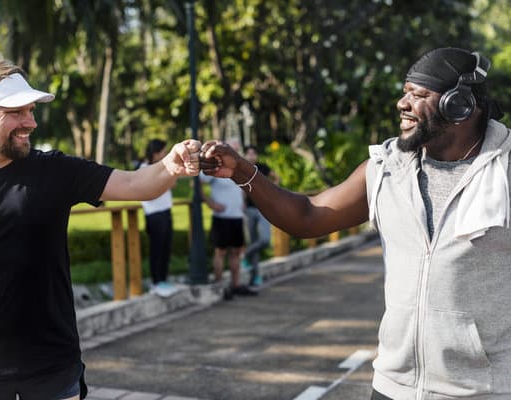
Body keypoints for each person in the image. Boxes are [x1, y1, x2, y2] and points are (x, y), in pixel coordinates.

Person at [200, 47, 510, 400]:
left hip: (483, 391)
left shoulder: (505, 173)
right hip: (394, 387)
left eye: (419, 94)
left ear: (460, 106)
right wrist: (243, 172)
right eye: (405, 91)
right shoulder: (385, 169)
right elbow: (307, 216)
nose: (402, 103)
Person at [0, 54, 201, 400]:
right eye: (16, 112)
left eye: (32, 110)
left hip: (55, 371)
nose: (30, 122)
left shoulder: (56, 171)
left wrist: (171, 165)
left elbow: (139, 185)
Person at [199, 139, 258, 300]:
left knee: (236, 251)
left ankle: (236, 285)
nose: (237, 151)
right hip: (222, 216)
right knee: (220, 252)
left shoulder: (238, 166)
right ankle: (219, 286)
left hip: (236, 215)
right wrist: (211, 203)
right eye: (234, 148)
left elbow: (243, 186)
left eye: (238, 149)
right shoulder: (215, 165)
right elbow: (197, 184)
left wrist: (243, 201)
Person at [138, 139, 178, 298]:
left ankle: (163, 279)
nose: (165, 155)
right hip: (154, 215)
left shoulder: (163, 167)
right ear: (155, 152)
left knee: (166, 248)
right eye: (163, 152)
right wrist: (165, 182)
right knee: (157, 249)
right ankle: (156, 283)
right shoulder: (144, 168)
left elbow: (170, 184)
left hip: (166, 212)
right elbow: (152, 189)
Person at [241, 145, 279, 286]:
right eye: (248, 153)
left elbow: (276, 178)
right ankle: (255, 277)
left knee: (264, 240)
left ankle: (245, 254)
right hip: (249, 210)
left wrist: (271, 192)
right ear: (245, 155)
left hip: (263, 209)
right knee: (253, 241)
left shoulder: (262, 168)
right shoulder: (242, 169)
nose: (251, 156)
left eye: (253, 153)